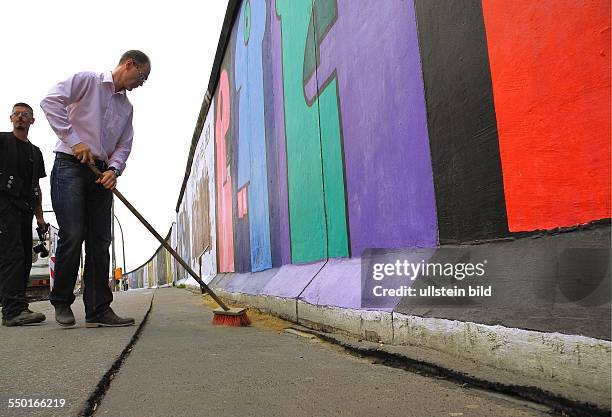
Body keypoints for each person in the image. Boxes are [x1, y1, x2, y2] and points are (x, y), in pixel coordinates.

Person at [40, 50, 150, 328]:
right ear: (129, 65)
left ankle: (98, 309)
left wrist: (114, 170)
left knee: (100, 241)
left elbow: (124, 144)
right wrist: (74, 140)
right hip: (70, 164)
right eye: (142, 76)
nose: (142, 82)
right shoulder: (88, 81)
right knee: (73, 234)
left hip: (100, 173)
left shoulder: (127, 108)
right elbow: (50, 101)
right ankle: (62, 302)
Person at [0, 103, 47, 326]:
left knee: (25, 257)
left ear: (32, 120)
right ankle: (12, 311)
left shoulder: (35, 152)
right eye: (16, 114)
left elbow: (36, 186)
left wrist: (40, 216)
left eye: (25, 115)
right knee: (13, 256)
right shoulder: (2, 141)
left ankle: (18, 306)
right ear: (11, 118)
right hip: (3, 207)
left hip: (24, 209)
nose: (20, 118)